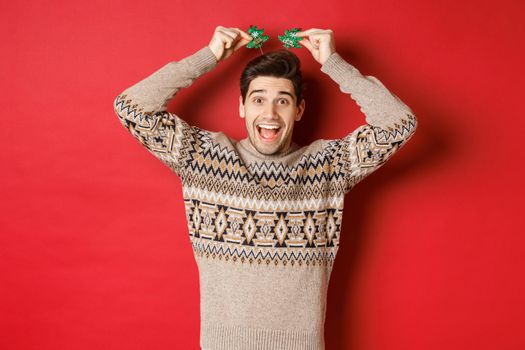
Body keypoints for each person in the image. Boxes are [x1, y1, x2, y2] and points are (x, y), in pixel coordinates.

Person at [113, 26, 417, 350]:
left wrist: (333, 62)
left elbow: (398, 123)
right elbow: (132, 107)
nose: (269, 113)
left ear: (298, 110)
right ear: (242, 106)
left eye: (282, 101)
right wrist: (209, 56)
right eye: (258, 100)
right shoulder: (204, 158)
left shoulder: (327, 166)